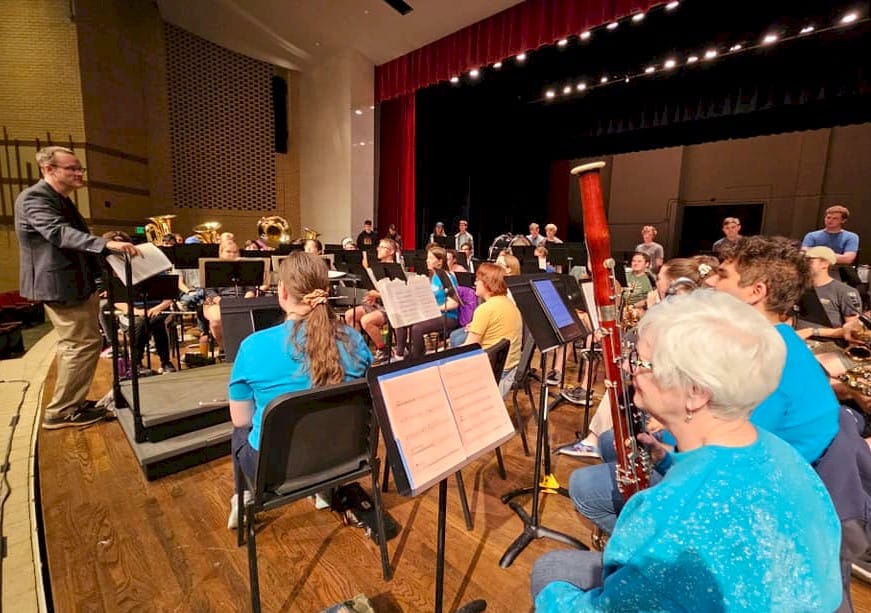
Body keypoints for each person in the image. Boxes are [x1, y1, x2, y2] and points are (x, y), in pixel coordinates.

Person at [531, 291, 842, 612]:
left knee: (549, 569)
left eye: (640, 362)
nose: (627, 367)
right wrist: (669, 462)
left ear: (695, 392)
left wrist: (554, 597)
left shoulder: (674, 521)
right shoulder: (778, 450)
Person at [227, 251, 372, 528]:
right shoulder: (354, 339)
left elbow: (241, 419)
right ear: (326, 291)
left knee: (240, 430)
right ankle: (325, 490)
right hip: (344, 457)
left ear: (282, 292)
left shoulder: (253, 346)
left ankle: (243, 496)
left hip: (275, 469)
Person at [15, 146, 138, 429]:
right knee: (80, 344)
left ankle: (73, 403)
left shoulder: (60, 199)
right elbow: (58, 233)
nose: (79, 173)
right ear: (48, 169)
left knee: (82, 343)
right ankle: (62, 411)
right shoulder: (34, 198)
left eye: (79, 168)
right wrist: (106, 244)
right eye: (72, 168)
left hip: (75, 283)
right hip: (60, 285)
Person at [462, 263, 522, 397]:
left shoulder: (485, 309)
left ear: (487, 284)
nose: (475, 283)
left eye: (478, 280)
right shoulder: (509, 303)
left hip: (493, 373)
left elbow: (468, 348)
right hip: (509, 369)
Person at [394, 246, 460, 359]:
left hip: (448, 316)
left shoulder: (446, 277)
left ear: (440, 262)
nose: (427, 260)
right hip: (433, 313)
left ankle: (418, 359)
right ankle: (400, 355)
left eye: (430, 258)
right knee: (401, 319)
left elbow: (454, 303)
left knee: (417, 328)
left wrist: (436, 308)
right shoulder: (433, 276)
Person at [344, 238, 398, 363]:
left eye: (382, 247)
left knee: (366, 321)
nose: (378, 249)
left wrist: (377, 295)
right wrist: (372, 295)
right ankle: (359, 349)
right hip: (376, 304)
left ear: (391, 251)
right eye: (379, 246)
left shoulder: (395, 269)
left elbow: (395, 293)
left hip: (390, 307)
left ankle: (383, 349)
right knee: (350, 315)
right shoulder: (376, 267)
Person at [795, 245, 860, 344]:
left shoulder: (844, 291)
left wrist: (812, 331)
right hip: (796, 341)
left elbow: (853, 330)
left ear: (825, 264)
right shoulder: (798, 288)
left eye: (809, 260)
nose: (804, 264)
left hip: (827, 345)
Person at [203, 240, 256, 350]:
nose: (232, 254)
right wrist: (224, 303)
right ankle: (224, 348)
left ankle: (244, 348)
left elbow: (251, 289)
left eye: (235, 252)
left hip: (242, 300)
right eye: (228, 252)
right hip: (217, 302)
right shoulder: (212, 268)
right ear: (221, 253)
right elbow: (209, 292)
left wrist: (244, 301)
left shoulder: (245, 268)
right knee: (216, 321)